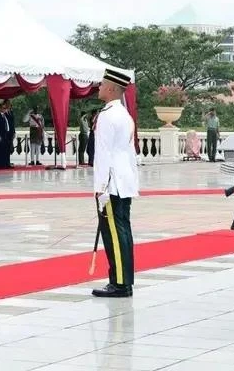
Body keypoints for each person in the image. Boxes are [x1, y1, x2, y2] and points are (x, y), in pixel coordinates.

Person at [91, 68, 139, 298]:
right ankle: (124, 280)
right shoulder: (125, 116)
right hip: (124, 180)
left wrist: (100, 188)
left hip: (111, 183)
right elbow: (129, 153)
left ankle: (119, 283)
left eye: (101, 85)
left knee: (114, 233)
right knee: (123, 231)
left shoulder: (107, 116)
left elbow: (103, 154)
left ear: (111, 89)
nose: (99, 88)